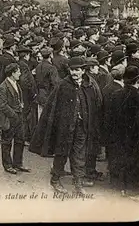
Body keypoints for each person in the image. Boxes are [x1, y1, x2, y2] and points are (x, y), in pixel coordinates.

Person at [30, 57, 94, 195]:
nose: (75, 73)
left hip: (81, 127)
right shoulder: (63, 85)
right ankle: (55, 180)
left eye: (77, 70)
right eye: (72, 70)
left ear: (83, 70)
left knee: (79, 155)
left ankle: (78, 183)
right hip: (65, 128)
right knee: (62, 153)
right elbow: (54, 108)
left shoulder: (87, 84)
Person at [107, 66, 139, 197]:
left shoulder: (116, 94)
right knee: (132, 160)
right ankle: (131, 187)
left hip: (117, 133)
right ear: (138, 80)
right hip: (133, 136)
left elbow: (109, 116)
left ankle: (119, 185)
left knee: (119, 158)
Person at [0, 63, 30, 174]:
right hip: (10, 118)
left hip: (18, 117)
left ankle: (18, 163)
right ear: (12, 73)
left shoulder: (16, 83)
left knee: (20, 140)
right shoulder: (3, 87)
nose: (20, 73)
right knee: (7, 142)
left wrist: (21, 105)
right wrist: (14, 115)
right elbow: (2, 105)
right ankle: (7, 165)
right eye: (18, 72)